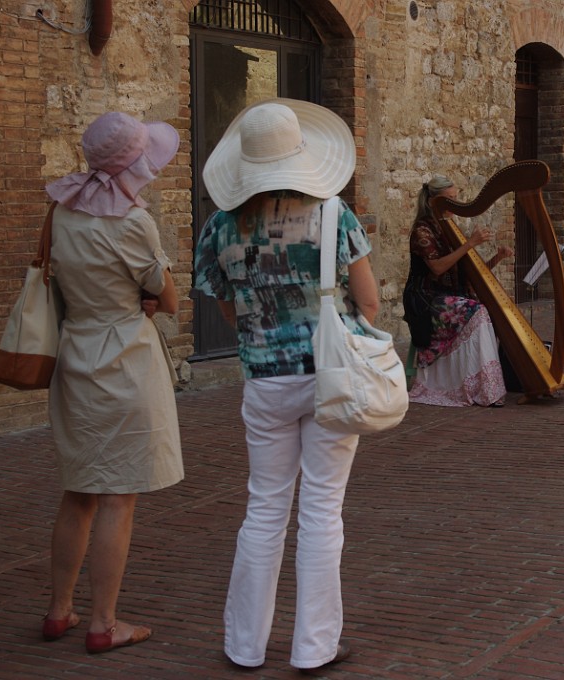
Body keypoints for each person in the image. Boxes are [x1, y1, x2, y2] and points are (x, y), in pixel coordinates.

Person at [194, 99, 378, 672]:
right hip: (330, 378)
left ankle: (244, 646)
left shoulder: (221, 223)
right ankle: (314, 647)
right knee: (323, 510)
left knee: (264, 509)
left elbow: (227, 309)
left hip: (265, 381)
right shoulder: (333, 213)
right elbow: (368, 301)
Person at [41, 112, 184, 653]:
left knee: (77, 490)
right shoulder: (131, 221)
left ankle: (59, 610)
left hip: (75, 351)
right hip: (124, 358)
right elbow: (166, 298)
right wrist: (148, 297)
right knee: (118, 497)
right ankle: (103, 622)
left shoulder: (60, 211)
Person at [402, 176, 513, 406]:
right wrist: (470, 244)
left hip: (448, 295)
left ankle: (484, 383)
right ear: (434, 201)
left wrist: (497, 259)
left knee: (488, 310)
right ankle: (481, 386)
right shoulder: (423, 231)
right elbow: (438, 267)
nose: (456, 203)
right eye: (449, 199)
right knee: (479, 311)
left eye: (456, 198)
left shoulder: (449, 228)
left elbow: (471, 274)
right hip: (426, 299)